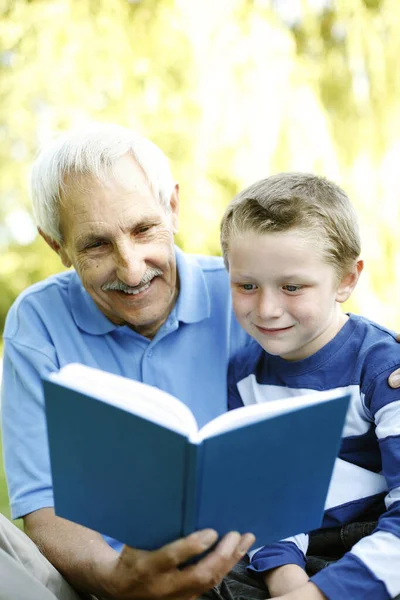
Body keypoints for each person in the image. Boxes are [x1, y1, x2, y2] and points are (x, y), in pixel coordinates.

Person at [0, 124, 399, 600]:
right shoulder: (37, 322)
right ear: (58, 247)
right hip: (103, 577)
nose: (131, 268)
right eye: (96, 244)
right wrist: (118, 581)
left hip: (243, 566)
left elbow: (334, 333)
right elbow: (43, 509)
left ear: (172, 207)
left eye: (143, 229)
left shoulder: (248, 304)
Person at [220, 172, 400, 600]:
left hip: (376, 553)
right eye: (247, 286)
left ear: (346, 280)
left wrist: (321, 594)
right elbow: (264, 499)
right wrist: (288, 581)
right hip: (288, 557)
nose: (266, 309)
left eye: (292, 287)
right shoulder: (244, 376)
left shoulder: (383, 371)